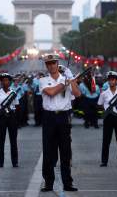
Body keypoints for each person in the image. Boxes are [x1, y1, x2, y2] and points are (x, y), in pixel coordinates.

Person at [39, 54, 81, 192]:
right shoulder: (43, 80)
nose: (51, 66)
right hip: (49, 117)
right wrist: (64, 83)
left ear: (58, 64)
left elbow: (77, 94)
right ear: (46, 66)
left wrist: (72, 79)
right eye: (48, 64)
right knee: (48, 151)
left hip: (63, 117)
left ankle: (67, 182)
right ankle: (48, 182)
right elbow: (51, 93)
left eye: (53, 63)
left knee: (65, 152)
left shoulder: (66, 79)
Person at [98, 71, 117, 167]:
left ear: (116, 81)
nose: (111, 82)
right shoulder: (104, 93)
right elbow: (100, 104)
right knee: (106, 140)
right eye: (109, 80)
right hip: (108, 118)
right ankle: (104, 161)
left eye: (113, 80)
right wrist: (107, 110)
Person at [0, 73, 20, 168]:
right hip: (1, 117)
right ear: (1, 82)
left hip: (11, 116)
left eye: (7, 80)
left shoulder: (13, 93)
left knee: (13, 140)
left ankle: (15, 161)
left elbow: (16, 106)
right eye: (3, 80)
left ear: (10, 82)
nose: (5, 82)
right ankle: (0, 162)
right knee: (1, 141)